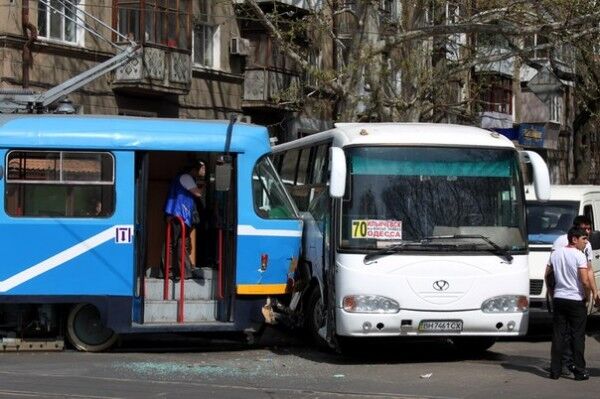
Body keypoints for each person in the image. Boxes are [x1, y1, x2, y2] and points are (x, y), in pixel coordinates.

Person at [549, 215, 600, 374]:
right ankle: (579, 370)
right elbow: (585, 279)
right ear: (574, 237)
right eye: (584, 234)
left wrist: (553, 294)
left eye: (588, 230)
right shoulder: (577, 254)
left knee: (559, 334)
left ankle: (555, 370)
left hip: (559, 297)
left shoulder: (557, 253)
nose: (587, 238)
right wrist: (587, 295)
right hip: (575, 298)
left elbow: (548, 274)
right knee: (577, 335)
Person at [163, 160, 206, 279]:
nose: (202, 172)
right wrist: (205, 185)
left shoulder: (180, 177)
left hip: (173, 213)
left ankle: (171, 270)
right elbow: (198, 194)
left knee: (174, 242)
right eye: (200, 169)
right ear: (193, 169)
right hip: (179, 214)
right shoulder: (186, 177)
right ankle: (184, 271)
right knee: (180, 242)